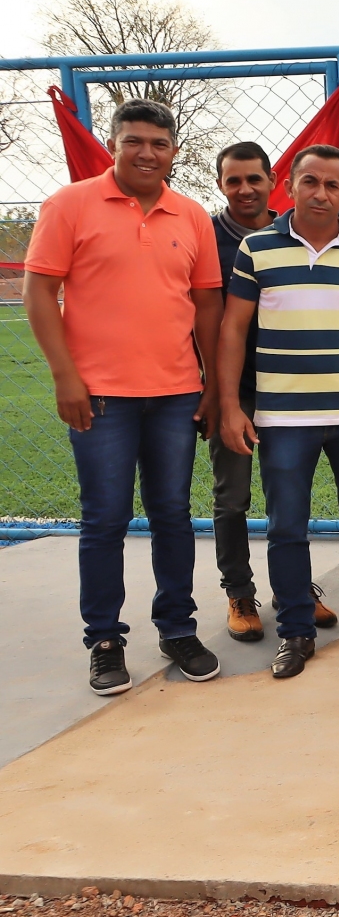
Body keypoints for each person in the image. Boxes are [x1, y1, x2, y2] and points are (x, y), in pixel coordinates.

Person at [25, 99, 225, 694]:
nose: (146, 153)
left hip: (174, 395)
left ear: (174, 151)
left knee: (172, 515)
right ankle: (105, 639)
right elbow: (40, 293)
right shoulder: (69, 205)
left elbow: (207, 304)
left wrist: (211, 384)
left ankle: (178, 627)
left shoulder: (190, 216)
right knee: (105, 518)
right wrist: (66, 377)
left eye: (158, 144)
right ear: (114, 143)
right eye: (134, 141)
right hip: (100, 397)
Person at [217, 145, 339, 680]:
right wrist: (231, 405)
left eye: (332, 185)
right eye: (310, 182)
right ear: (291, 186)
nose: (320, 193)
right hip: (282, 419)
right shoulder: (257, 250)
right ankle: (296, 632)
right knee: (286, 528)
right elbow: (233, 329)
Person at [209, 142, 334, 643]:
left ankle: (292, 586)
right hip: (235, 389)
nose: (244, 189)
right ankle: (239, 591)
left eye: (253, 179)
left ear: (272, 182)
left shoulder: (296, 234)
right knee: (232, 496)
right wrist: (220, 398)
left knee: (289, 497)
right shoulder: (206, 236)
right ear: (221, 184)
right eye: (233, 180)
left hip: (291, 389)